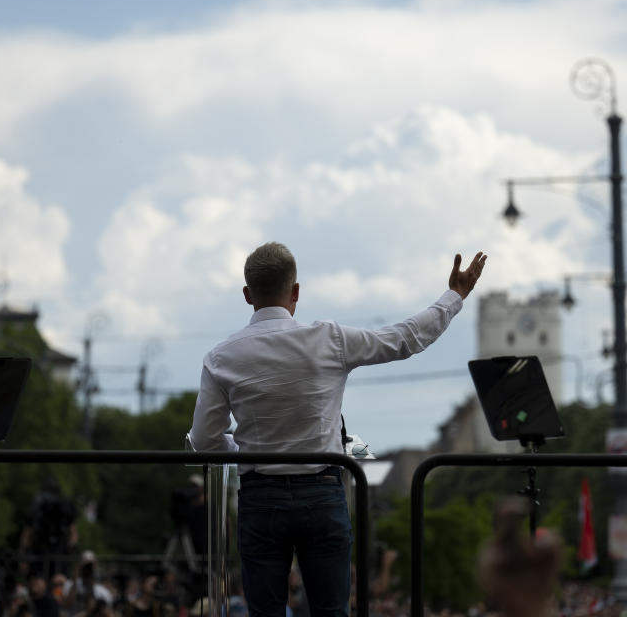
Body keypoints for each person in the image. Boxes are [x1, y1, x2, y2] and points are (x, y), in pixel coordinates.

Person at [188, 242, 487, 617]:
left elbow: (203, 442)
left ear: (247, 295)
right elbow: (406, 338)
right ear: (296, 291)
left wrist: (242, 447)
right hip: (322, 493)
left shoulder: (220, 357)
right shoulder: (329, 339)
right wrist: (455, 295)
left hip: (260, 499)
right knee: (332, 611)